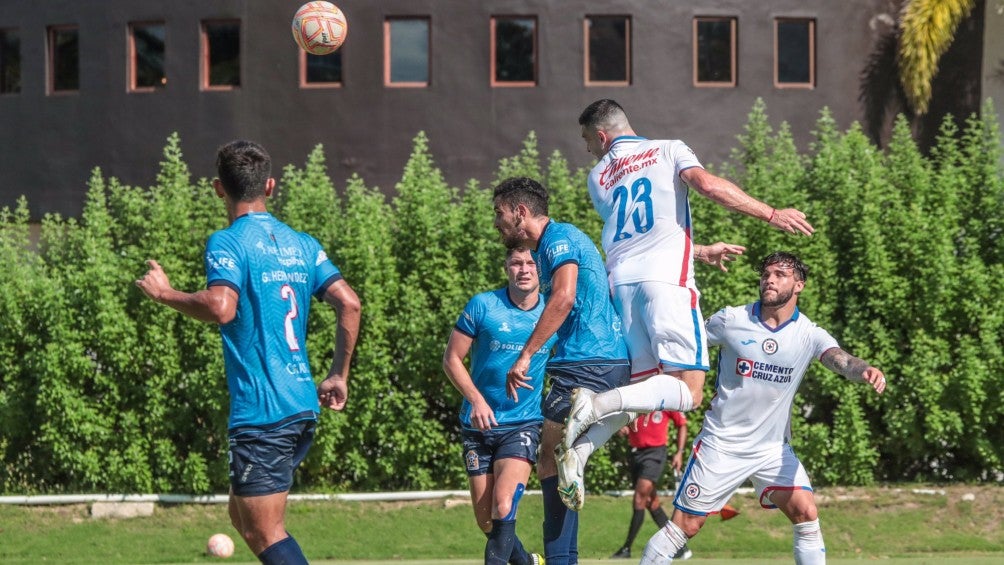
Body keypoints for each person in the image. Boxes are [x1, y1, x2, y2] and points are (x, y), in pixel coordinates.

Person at [559, 99, 815, 508]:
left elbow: (640, 235)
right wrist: (770, 213)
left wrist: (698, 250)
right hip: (665, 284)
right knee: (690, 392)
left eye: (588, 139)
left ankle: (580, 454)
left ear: (603, 136)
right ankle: (596, 403)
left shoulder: (597, 176)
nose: (589, 148)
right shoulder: (667, 149)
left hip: (622, 288)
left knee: (646, 393)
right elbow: (708, 186)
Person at [135, 140, 361, 565]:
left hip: (265, 412)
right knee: (240, 517)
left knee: (264, 530)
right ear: (270, 186)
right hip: (298, 404)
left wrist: (165, 294)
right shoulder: (304, 245)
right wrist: (338, 374)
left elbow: (222, 307)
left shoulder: (228, 241)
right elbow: (349, 303)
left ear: (219, 188)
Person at [640, 251, 887, 564]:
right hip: (722, 445)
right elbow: (684, 343)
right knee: (685, 527)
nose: (769, 279)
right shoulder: (731, 320)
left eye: (780, 274)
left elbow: (841, 359)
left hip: (772, 449)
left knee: (806, 512)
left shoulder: (808, 334)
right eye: (766, 274)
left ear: (799, 285)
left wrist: (863, 370)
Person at [493, 176, 631, 565]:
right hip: (600, 363)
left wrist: (525, 355)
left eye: (499, 213)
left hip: (585, 365)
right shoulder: (554, 243)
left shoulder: (556, 239)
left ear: (521, 212)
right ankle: (563, 558)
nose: (497, 223)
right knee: (559, 457)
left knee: (552, 458)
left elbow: (565, 296)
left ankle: (559, 561)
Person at [442, 247, 553, 565]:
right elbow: (451, 359)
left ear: (541, 270)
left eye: (531, 263)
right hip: (477, 427)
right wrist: (476, 399)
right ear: (506, 267)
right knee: (488, 522)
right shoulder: (483, 305)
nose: (524, 269)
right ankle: (529, 562)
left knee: (504, 506)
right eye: (517, 263)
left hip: (522, 424)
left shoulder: (551, 312)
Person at [610, 410, 692, 561]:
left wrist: (679, 452)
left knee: (640, 499)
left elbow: (682, 424)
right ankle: (681, 549)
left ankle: (627, 548)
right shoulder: (636, 397)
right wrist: (621, 426)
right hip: (635, 454)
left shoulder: (666, 399)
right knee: (651, 502)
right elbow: (623, 419)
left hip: (655, 454)